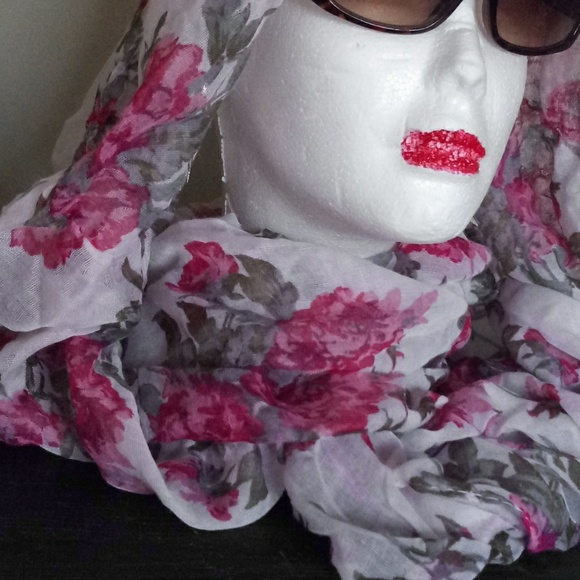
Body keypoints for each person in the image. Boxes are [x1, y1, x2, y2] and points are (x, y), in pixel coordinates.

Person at [1, 0, 580, 578]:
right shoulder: (41, 403)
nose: (470, 68)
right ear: (232, 27)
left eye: (525, 5)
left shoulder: (545, 397)